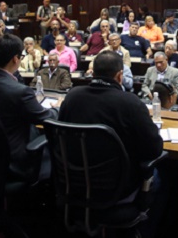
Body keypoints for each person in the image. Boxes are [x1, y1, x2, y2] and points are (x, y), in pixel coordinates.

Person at [59, 51, 164, 201]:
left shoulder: (72, 97)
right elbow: (154, 150)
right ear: (120, 76)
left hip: (74, 181)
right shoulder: (131, 103)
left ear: (93, 73)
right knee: (165, 179)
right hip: (117, 187)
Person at [0, 34, 59, 177]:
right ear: (16, 59)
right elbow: (46, 118)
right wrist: (58, 107)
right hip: (14, 160)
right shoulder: (20, 91)